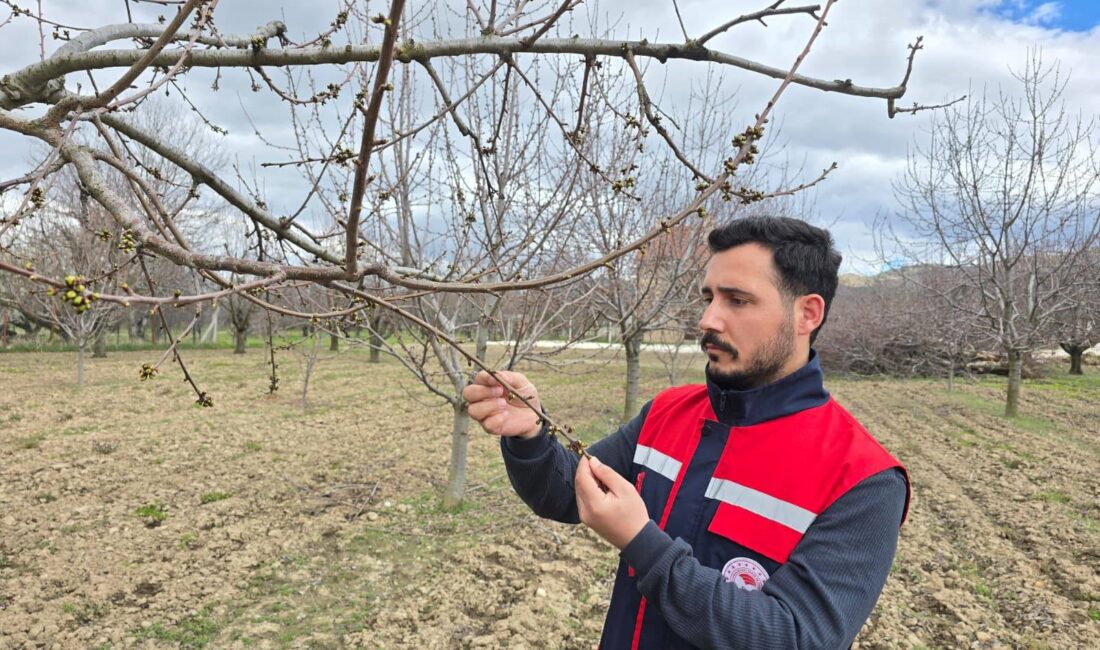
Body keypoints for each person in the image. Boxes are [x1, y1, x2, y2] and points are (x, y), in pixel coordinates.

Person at [463, 216, 911, 650]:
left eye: (737, 300)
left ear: (807, 313)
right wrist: (531, 436)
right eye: (708, 297)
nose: (708, 319)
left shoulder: (863, 480)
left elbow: (796, 637)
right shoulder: (668, 413)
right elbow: (568, 493)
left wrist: (642, 543)